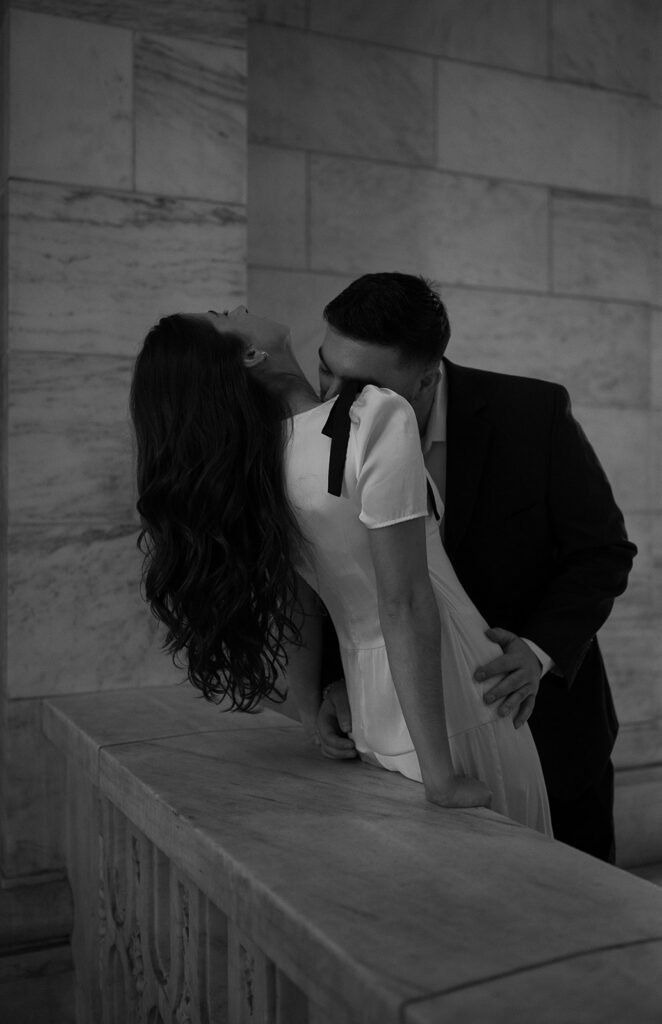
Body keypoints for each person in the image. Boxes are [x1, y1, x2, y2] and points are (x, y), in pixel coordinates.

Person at [129, 306, 552, 833]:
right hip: (455, 697)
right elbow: (404, 601)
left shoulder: (256, 465)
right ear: (249, 354)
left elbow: (300, 600)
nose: (235, 306)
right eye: (222, 316)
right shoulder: (374, 415)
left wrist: (312, 711)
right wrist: (441, 778)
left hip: (371, 706)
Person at [313, 272, 636, 862]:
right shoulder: (324, 431)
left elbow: (603, 552)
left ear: (427, 379)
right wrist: (336, 683)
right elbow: (335, 571)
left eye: (361, 387)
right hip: (405, 748)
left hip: (546, 731)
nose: (335, 402)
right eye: (326, 370)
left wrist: (538, 653)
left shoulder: (533, 413)